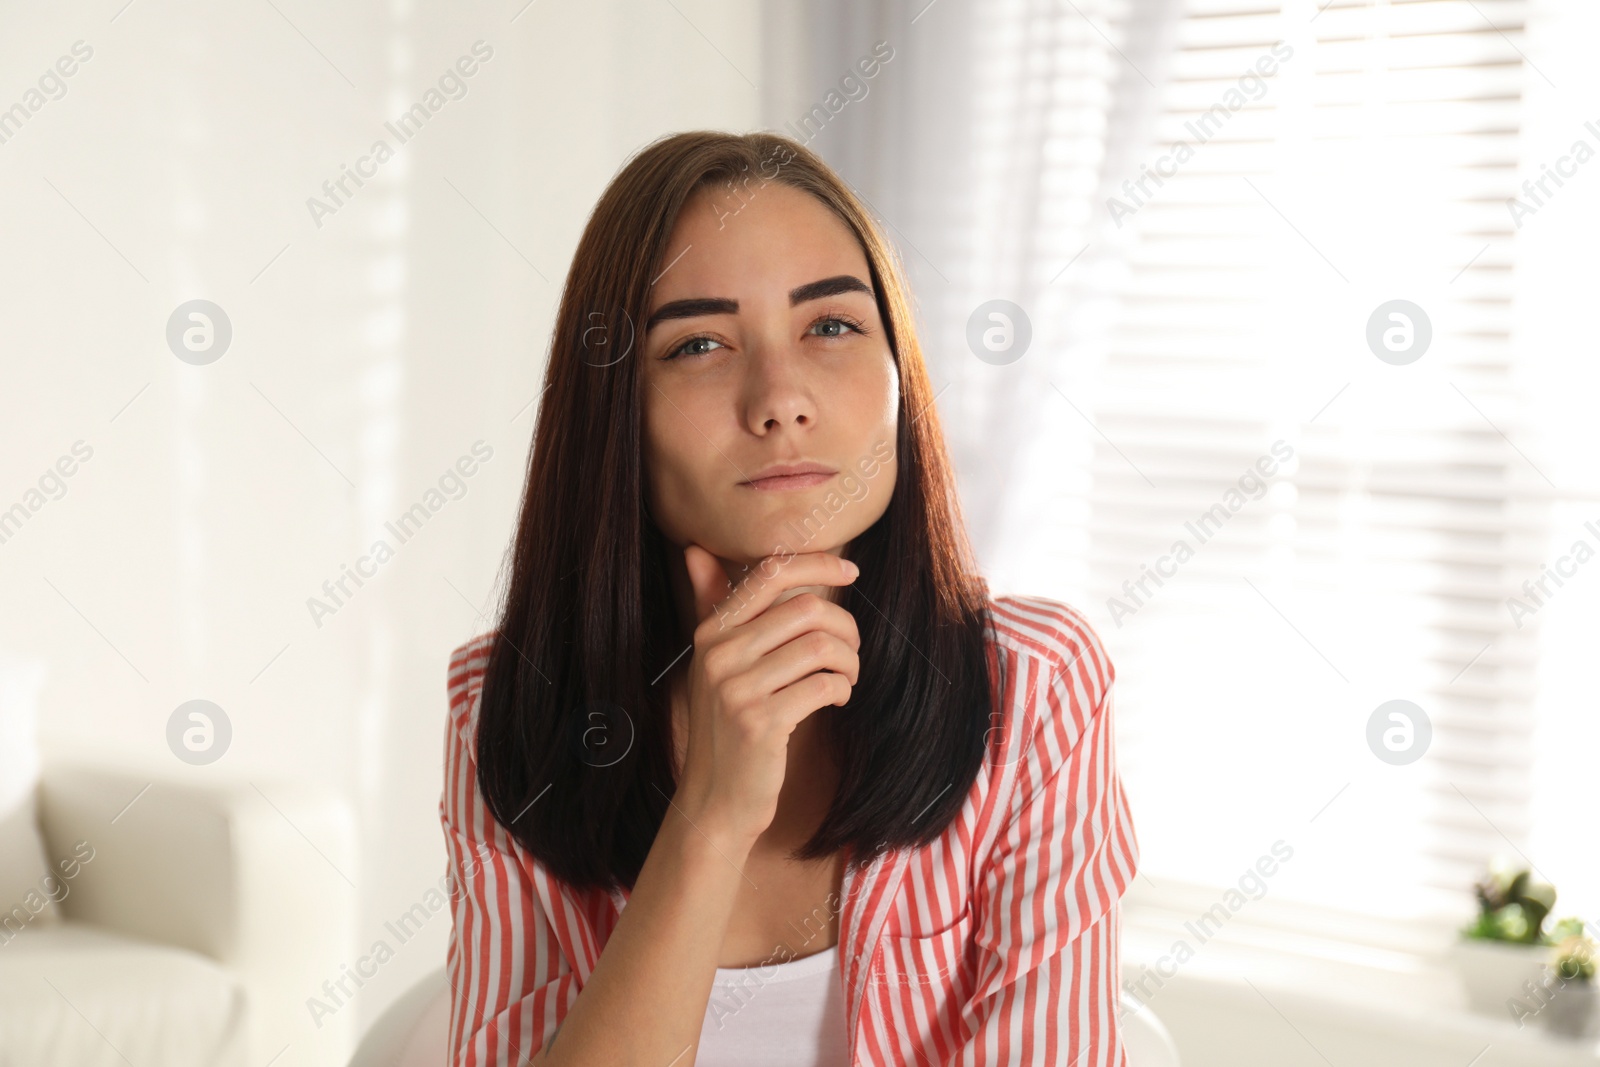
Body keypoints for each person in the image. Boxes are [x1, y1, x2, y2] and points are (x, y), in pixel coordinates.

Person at [440, 130, 1138, 1066]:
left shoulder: (1036, 689)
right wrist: (712, 818)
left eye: (832, 326)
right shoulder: (508, 698)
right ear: (614, 417)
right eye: (698, 344)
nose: (780, 399)